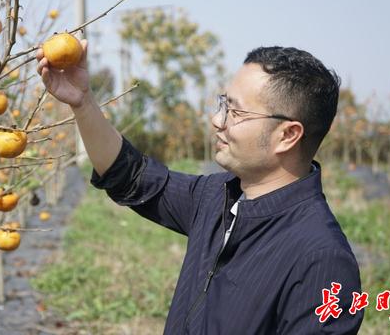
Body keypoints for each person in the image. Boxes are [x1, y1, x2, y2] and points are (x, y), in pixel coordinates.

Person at [36, 41, 364, 334]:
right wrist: (82, 102)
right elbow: (133, 177)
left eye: (235, 111)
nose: (217, 120)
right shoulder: (217, 197)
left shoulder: (321, 260)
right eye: (223, 103)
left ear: (288, 135)